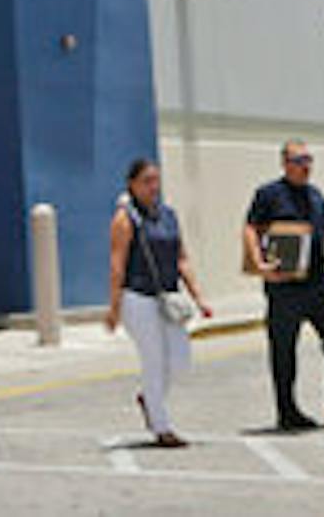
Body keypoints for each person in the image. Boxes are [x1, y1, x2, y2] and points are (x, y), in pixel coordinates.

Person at [243, 140, 324, 432]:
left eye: (308, 160)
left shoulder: (315, 195)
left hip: (318, 286)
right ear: (285, 164)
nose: (306, 166)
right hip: (284, 288)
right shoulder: (269, 194)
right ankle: (287, 412)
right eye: (299, 160)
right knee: (283, 351)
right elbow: (251, 228)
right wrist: (259, 264)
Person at [104, 158, 214, 448]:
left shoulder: (168, 216)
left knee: (180, 362)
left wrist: (198, 297)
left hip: (168, 299)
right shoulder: (125, 219)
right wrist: (114, 308)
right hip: (137, 298)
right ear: (132, 185)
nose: (153, 187)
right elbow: (117, 264)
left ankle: (148, 399)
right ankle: (161, 427)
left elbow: (182, 259)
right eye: (146, 181)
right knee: (153, 360)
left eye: (156, 180)